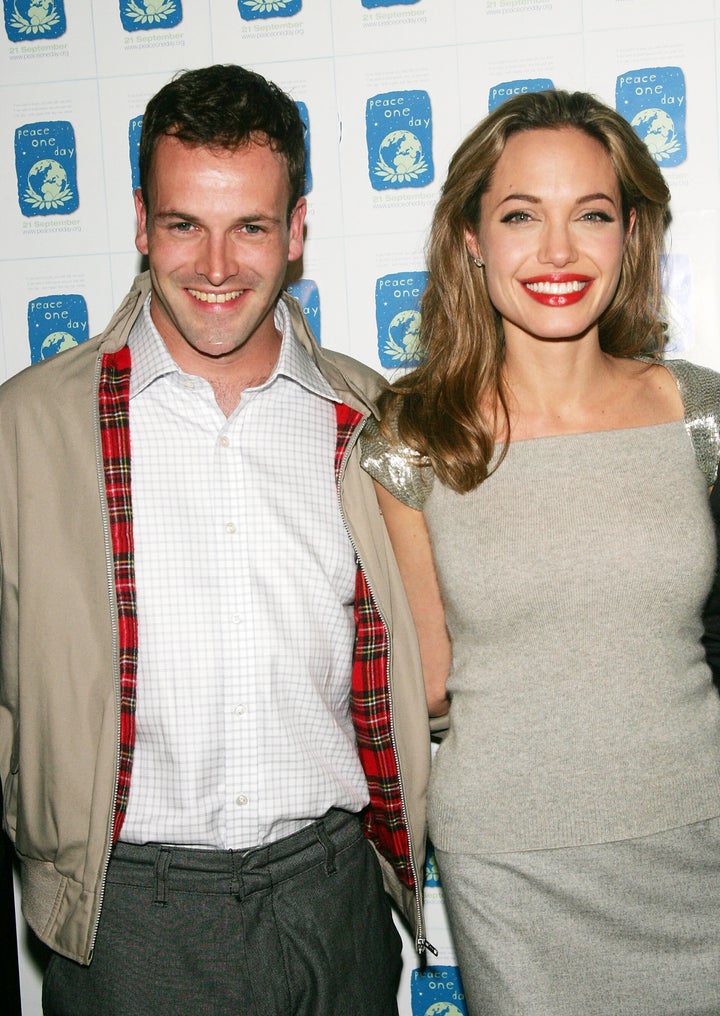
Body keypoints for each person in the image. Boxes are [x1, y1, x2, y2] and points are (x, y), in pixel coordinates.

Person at [0, 63, 434, 1016]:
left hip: (337, 902)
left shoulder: (374, 421)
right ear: (141, 221)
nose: (216, 265)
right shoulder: (28, 427)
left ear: (299, 228)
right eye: (183, 223)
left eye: (251, 226)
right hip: (125, 918)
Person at [361, 89, 720, 1015]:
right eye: (522, 215)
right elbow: (427, 680)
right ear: (471, 239)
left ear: (631, 234)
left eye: (591, 215)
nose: (557, 253)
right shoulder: (413, 437)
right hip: (513, 863)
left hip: (703, 842)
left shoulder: (700, 414)